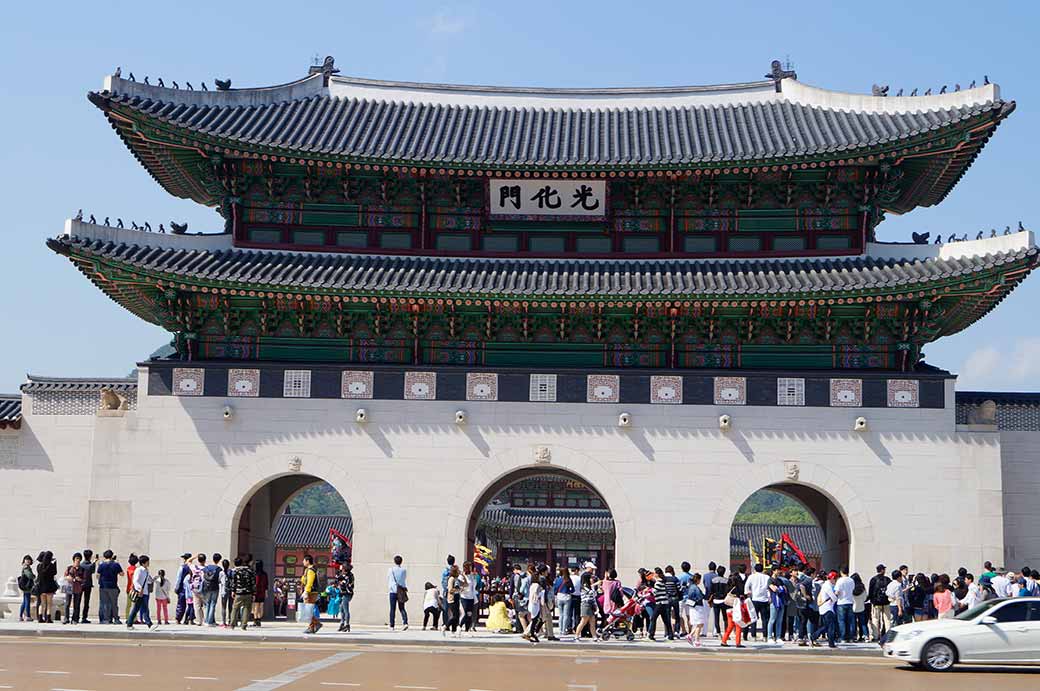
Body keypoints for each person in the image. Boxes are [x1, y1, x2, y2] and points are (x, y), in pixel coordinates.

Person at [720, 573, 748, 648]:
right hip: (735, 610)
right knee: (738, 626)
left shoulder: (727, 587)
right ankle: (738, 643)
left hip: (728, 610)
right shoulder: (737, 589)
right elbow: (742, 597)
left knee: (730, 626)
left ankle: (724, 640)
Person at [127, 555, 154, 629]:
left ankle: (129, 624)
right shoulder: (139, 570)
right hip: (140, 593)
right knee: (145, 609)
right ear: (143, 563)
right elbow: (135, 581)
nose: (148, 563)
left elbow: (148, 581)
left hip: (145, 592)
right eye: (147, 562)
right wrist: (140, 589)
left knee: (136, 609)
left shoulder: (146, 571)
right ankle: (149, 624)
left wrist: (153, 580)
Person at [813, 571, 839, 648]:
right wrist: (836, 594)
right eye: (835, 579)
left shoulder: (827, 585)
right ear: (832, 578)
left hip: (825, 608)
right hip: (827, 608)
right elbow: (834, 598)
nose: (836, 580)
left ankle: (814, 636)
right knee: (830, 627)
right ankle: (831, 643)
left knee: (826, 626)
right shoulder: (828, 586)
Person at [745, 563, 771, 641]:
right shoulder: (767, 577)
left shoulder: (751, 576)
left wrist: (748, 593)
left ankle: (753, 635)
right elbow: (769, 588)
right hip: (764, 599)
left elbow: (746, 586)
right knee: (765, 619)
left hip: (755, 599)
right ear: (762, 569)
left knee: (754, 618)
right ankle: (765, 636)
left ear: (755, 569)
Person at [648, 567, 675, 641]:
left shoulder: (658, 582)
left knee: (653, 618)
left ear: (657, 574)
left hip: (660, 603)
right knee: (666, 620)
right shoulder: (663, 581)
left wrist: (649, 589)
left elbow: (654, 592)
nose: (654, 575)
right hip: (664, 603)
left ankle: (651, 635)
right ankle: (670, 635)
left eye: (655, 573)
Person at [96, 550, 122, 625]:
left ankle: (105, 619)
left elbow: (97, 575)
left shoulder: (101, 565)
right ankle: (116, 619)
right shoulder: (116, 564)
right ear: (112, 556)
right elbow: (121, 574)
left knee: (104, 603)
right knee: (114, 604)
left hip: (103, 586)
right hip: (113, 586)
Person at [867, 564, 891, 642]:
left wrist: (871, 600)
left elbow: (870, 591)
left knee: (875, 619)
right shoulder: (887, 579)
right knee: (887, 619)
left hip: (876, 603)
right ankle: (888, 635)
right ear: (882, 570)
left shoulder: (873, 579)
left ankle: (876, 636)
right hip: (886, 602)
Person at [683, 572, 708, 647]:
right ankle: (696, 640)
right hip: (697, 607)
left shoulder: (691, 586)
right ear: (698, 580)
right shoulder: (695, 587)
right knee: (699, 624)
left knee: (699, 624)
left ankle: (690, 635)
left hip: (694, 607)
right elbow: (700, 597)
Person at [573, 570, 597, 641]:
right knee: (584, 621)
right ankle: (576, 635)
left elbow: (594, 595)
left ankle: (594, 636)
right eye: (590, 578)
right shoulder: (584, 586)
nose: (592, 579)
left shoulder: (590, 586)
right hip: (586, 604)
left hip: (591, 604)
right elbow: (591, 593)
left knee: (592, 621)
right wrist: (594, 585)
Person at [523, 564, 544, 644]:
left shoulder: (532, 585)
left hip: (532, 604)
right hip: (535, 604)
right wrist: (541, 594)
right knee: (535, 620)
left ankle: (532, 634)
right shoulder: (537, 585)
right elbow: (536, 595)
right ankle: (532, 634)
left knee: (535, 620)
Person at [387, 555, 409, 630]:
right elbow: (404, 579)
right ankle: (405, 622)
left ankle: (392, 625)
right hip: (401, 591)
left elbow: (388, 578)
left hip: (393, 590)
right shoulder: (404, 570)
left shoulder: (391, 570)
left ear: (394, 561)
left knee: (392, 609)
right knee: (402, 608)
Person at [301, 554, 321, 634]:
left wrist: (306, 591)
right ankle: (312, 627)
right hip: (312, 591)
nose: (303, 562)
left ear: (308, 561)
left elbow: (309, 582)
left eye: (304, 560)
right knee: (309, 610)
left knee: (308, 610)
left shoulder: (310, 570)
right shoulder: (310, 569)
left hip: (310, 592)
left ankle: (316, 624)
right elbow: (304, 580)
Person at [62, 553, 85, 624]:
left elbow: (84, 579)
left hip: (77, 588)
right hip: (69, 587)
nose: (77, 561)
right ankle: (66, 618)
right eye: (76, 559)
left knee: (76, 604)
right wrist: (68, 577)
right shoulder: (69, 568)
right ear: (74, 560)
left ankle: (74, 619)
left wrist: (79, 579)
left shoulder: (82, 569)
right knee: (67, 604)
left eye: (79, 559)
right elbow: (64, 576)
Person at [202, 553, 222, 626]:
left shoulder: (207, 567)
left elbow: (203, 576)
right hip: (215, 587)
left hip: (207, 587)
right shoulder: (219, 569)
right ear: (219, 560)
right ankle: (210, 621)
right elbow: (220, 579)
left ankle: (206, 620)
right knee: (213, 604)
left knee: (207, 604)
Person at [709, 565, 728, 638]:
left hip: (716, 600)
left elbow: (711, 591)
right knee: (725, 618)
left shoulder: (713, 580)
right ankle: (726, 633)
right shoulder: (726, 581)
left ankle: (719, 633)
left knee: (716, 617)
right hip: (723, 600)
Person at [554, 565, 575, 635]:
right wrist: (569, 591)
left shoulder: (558, 579)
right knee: (566, 614)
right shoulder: (568, 579)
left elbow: (555, 589)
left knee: (561, 614)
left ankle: (560, 629)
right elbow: (573, 589)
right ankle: (564, 630)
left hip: (559, 596)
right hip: (567, 597)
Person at [174, 553, 192, 624]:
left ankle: (178, 619)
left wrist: (176, 588)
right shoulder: (192, 567)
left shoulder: (182, 567)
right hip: (190, 588)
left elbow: (178, 579)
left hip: (182, 588)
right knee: (191, 605)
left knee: (181, 604)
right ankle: (190, 619)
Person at [80, 549, 97, 623]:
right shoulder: (91, 565)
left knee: (78, 601)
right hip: (88, 585)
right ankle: (84, 617)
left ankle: (76, 616)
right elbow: (93, 571)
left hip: (80, 584)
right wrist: (94, 562)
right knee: (86, 602)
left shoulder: (81, 564)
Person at [190, 554, 207, 626]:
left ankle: (200, 621)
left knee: (197, 605)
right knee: (206, 605)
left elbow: (188, 561)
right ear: (205, 560)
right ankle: (206, 620)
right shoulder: (206, 568)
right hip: (204, 588)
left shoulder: (194, 567)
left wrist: (195, 556)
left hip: (195, 588)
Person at [884, 570, 904, 635]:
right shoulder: (898, 585)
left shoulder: (890, 584)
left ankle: (889, 636)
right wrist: (900, 609)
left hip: (891, 605)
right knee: (897, 624)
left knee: (892, 622)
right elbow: (898, 598)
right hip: (896, 606)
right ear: (899, 577)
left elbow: (887, 593)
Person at [336, 563, 354, 632]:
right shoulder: (343, 574)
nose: (341, 570)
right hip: (343, 593)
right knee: (341, 609)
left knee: (345, 609)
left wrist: (341, 583)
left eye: (342, 568)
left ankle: (347, 625)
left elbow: (347, 584)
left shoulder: (349, 576)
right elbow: (337, 578)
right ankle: (342, 623)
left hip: (347, 594)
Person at [445, 564, 462, 636]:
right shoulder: (451, 579)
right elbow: (450, 590)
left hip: (457, 597)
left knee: (457, 615)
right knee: (455, 615)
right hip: (452, 598)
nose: (459, 571)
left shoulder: (456, 579)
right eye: (458, 570)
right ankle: (446, 626)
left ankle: (453, 631)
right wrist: (458, 589)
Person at [460, 561, 477, 632]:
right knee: (466, 613)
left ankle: (467, 629)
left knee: (470, 614)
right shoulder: (462, 576)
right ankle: (460, 625)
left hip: (471, 597)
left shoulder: (472, 576)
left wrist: (474, 577)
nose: (471, 568)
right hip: (464, 597)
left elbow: (474, 585)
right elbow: (460, 586)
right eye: (469, 566)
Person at [851, 573, 868, 642]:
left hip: (853, 607)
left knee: (853, 623)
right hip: (861, 607)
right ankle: (865, 635)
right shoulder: (862, 587)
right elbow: (865, 598)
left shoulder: (851, 587)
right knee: (863, 623)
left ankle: (854, 636)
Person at [18, 555, 35, 622]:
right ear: (24, 560)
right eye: (26, 559)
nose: (28, 560)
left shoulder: (26, 567)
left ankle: (20, 616)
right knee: (27, 601)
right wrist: (34, 576)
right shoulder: (26, 568)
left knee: (25, 601)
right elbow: (30, 576)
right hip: (27, 587)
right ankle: (28, 616)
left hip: (25, 586)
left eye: (29, 559)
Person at [439, 555, 455, 629]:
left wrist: (446, 589)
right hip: (453, 592)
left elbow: (443, 582)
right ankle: (452, 624)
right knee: (453, 609)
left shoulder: (445, 571)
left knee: (445, 608)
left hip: (446, 591)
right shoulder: (455, 570)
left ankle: (445, 624)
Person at [252, 561, 269, 627]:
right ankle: (259, 619)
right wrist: (266, 592)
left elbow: (255, 584)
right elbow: (266, 584)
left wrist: (253, 593)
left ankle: (256, 620)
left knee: (256, 606)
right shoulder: (265, 574)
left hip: (256, 592)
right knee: (261, 606)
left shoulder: (255, 574)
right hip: (262, 592)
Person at [124, 553, 138, 623]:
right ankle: (134, 619)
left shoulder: (128, 569)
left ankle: (127, 618)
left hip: (128, 588)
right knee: (134, 605)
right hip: (134, 588)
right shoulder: (136, 569)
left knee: (128, 605)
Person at [219, 558, 232, 627]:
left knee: (223, 607)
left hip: (223, 591)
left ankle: (223, 622)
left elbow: (219, 581)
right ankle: (230, 620)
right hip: (230, 590)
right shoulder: (231, 572)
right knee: (230, 606)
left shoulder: (221, 573)